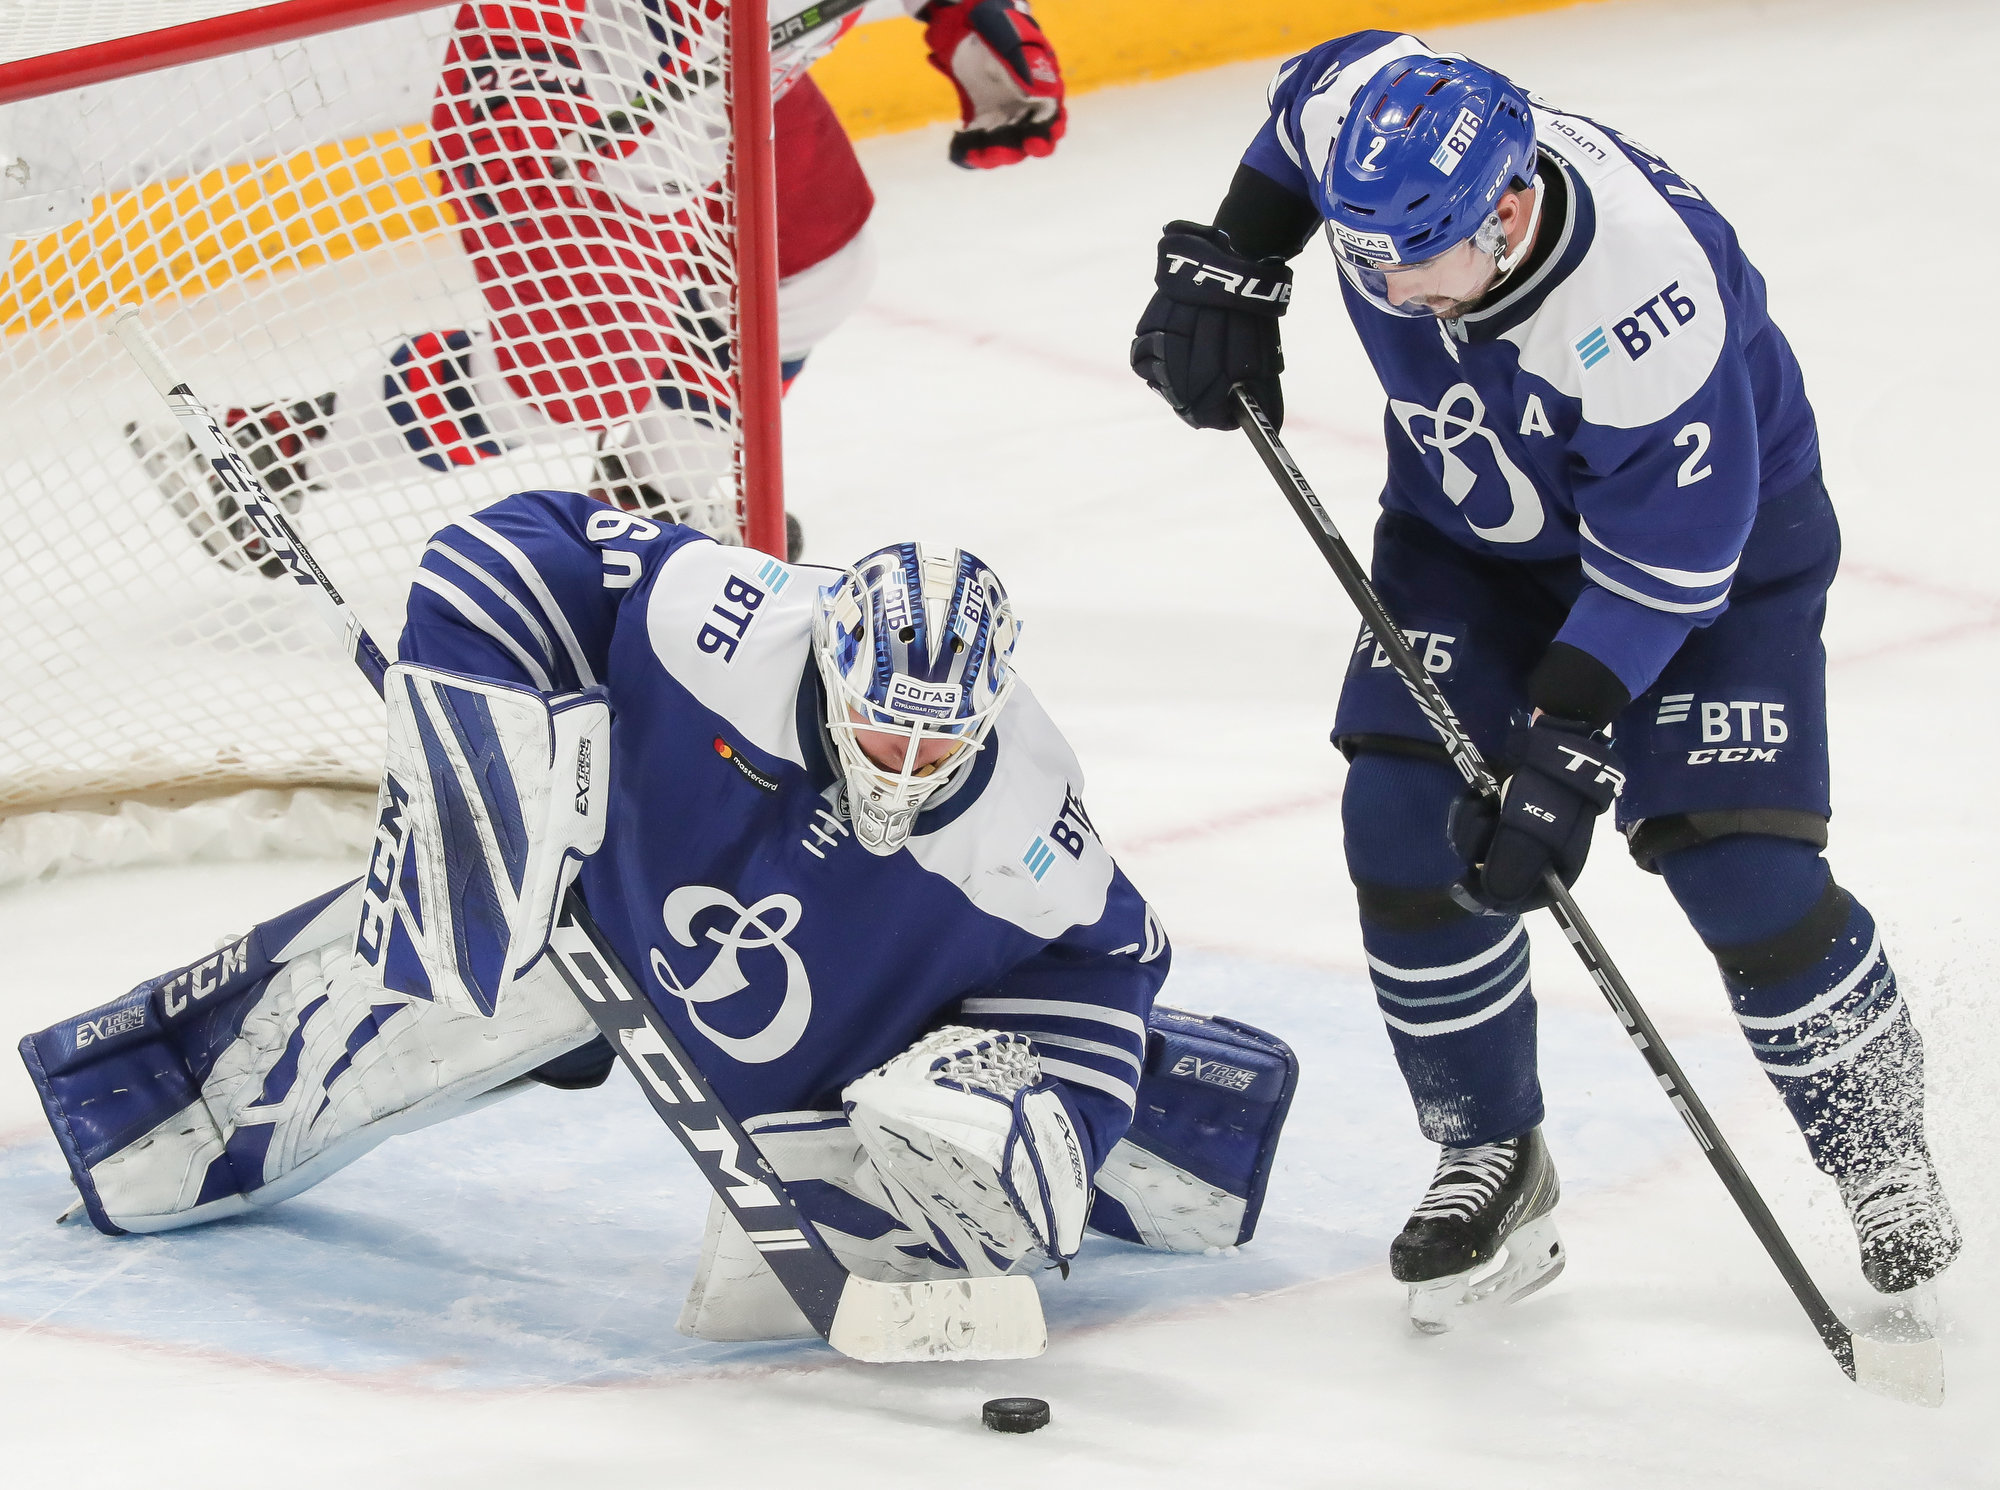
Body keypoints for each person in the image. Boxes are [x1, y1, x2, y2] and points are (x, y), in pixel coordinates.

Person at [1130, 33, 1958, 1328]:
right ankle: (1491, 1152)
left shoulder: (1641, 297)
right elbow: (1306, 103)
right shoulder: (1382, 159)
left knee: (1740, 872)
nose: (1390, 290)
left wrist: (1562, 744)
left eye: (1416, 259)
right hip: (1470, 545)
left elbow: (1666, 572)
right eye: (1367, 258)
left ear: (1510, 210)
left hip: (1714, 566)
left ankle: (1879, 1149)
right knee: (1401, 823)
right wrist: (1241, 254)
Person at [20, 503, 1296, 1340]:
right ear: (833, 652)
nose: (905, 756)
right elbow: (505, 551)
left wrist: (1059, 1116)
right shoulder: (718, 617)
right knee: (394, 995)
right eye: (882, 717)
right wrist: (484, 715)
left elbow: (1109, 961)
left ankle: (1176, 1133)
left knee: (956, 1121)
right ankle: (146, 1125)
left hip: (848, 986)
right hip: (597, 889)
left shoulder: (1030, 813)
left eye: (936, 732)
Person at [130, 0, 1067, 570]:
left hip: (724, 78)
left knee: (816, 271)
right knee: (591, 364)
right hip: (551, 73)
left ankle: (656, 492)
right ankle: (265, 453)